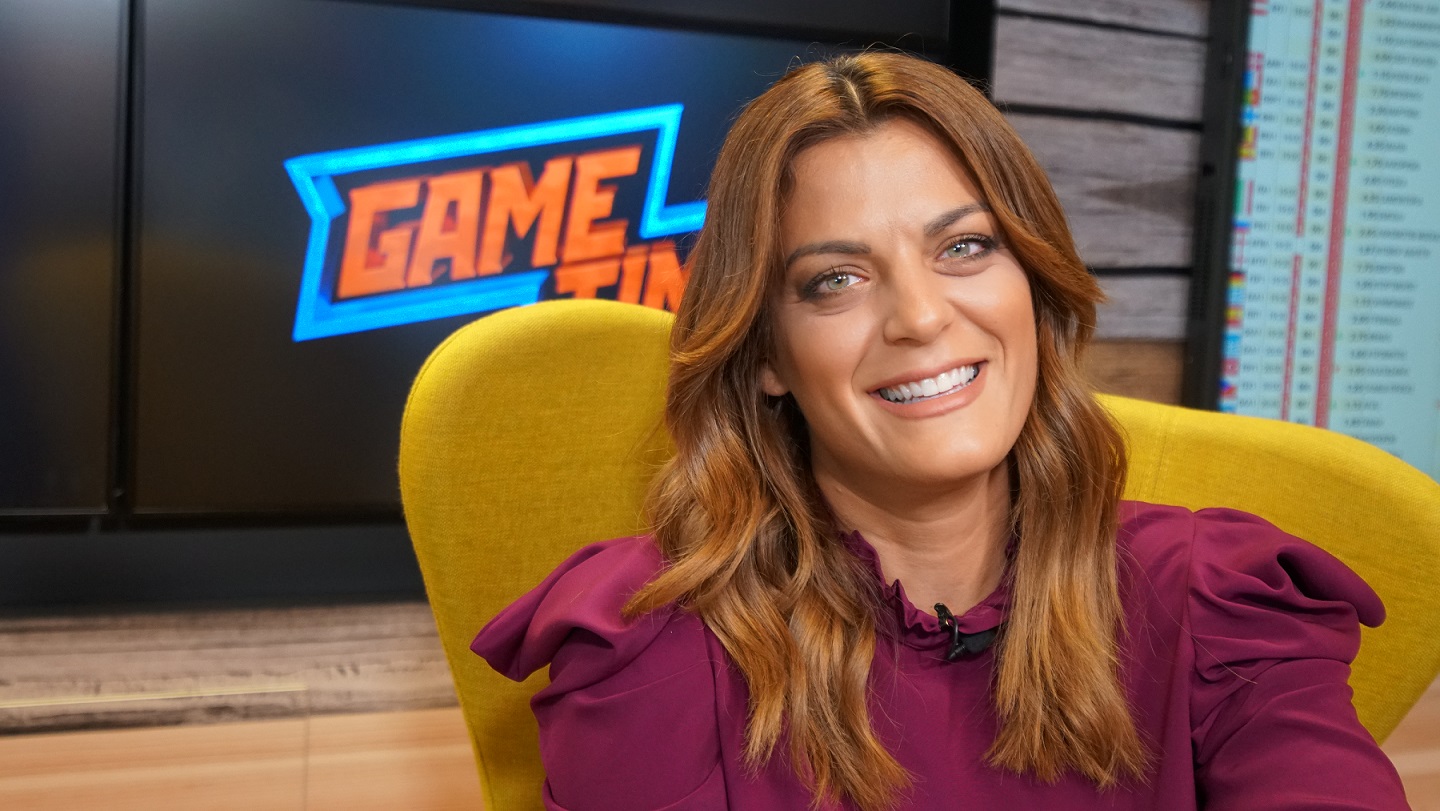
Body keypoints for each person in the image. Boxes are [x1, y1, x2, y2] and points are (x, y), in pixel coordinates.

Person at [472, 52, 1410, 810]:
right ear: (765, 355)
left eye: (965, 246)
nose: (921, 317)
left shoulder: (1221, 603)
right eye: (836, 279)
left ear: (1032, 284)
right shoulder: (657, 651)